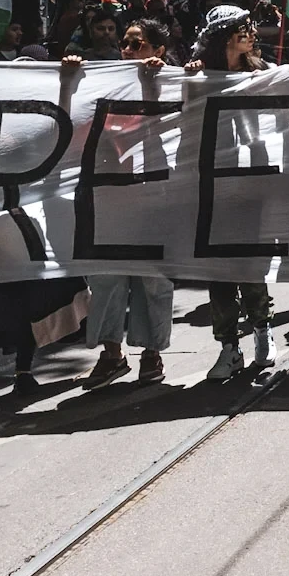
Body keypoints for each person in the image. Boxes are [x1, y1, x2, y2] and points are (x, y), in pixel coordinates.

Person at [81, 20, 178, 388]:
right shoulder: (104, 78)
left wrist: (160, 78)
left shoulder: (166, 80)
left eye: (136, 45)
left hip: (152, 195)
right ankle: (111, 353)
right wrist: (70, 76)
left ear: (158, 51)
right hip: (109, 193)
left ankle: (152, 352)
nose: (127, 50)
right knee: (106, 277)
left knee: (152, 278)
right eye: (124, 44)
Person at [186, 6, 277, 378]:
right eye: (245, 28)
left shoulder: (259, 71)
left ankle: (262, 329)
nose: (253, 33)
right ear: (226, 35)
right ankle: (228, 346)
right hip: (210, 182)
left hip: (250, 180)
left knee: (250, 261)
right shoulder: (198, 76)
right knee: (218, 270)